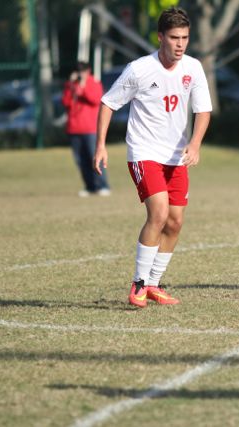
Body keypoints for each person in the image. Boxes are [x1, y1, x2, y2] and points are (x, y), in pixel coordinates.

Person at [93, 7, 212, 308]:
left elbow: (203, 110)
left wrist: (195, 144)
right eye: (174, 38)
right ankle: (138, 284)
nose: (180, 44)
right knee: (158, 214)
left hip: (176, 155)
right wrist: (101, 145)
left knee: (175, 222)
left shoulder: (193, 68)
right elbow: (108, 104)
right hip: (144, 152)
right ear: (160, 37)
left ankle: (155, 284)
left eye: (185, 37)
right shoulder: (139, 70)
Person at [62, 61, 110, 197]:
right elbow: (65, 102)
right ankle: (90, 186)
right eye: (78, 70)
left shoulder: (93, 83)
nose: (80, 73)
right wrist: (71, 86)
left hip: (90, 128)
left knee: (94, 158)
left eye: (82, 70)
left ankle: (102, 185)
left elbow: (95, 99)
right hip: (74, 128)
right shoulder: (71, 85)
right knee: (80, 160)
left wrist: (83, 88)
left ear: (88, 71)